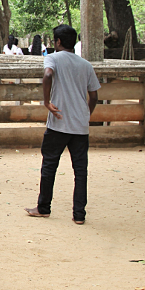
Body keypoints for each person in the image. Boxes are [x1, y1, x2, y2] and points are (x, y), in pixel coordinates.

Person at [26, 24, 100, 224]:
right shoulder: (85, 65)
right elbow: (94, 95)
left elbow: (48, 74)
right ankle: (79, 215)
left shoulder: (52, 58)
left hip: (58, 122)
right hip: (80, 124)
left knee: (49, 165)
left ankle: (43, 207)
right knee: (80, 170)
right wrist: (87, 113)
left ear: (57, 42)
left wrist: (47, 101)